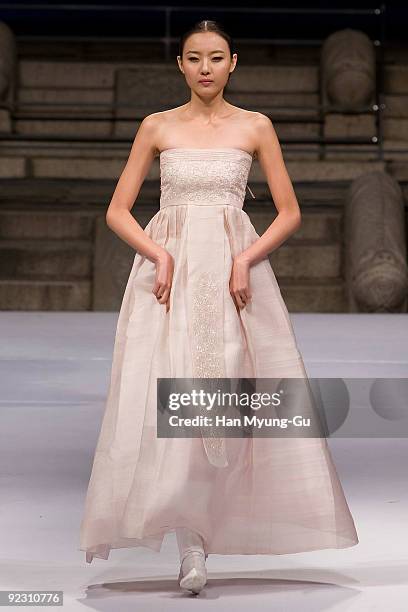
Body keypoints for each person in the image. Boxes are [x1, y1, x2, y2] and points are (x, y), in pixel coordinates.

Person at [79, 19, 359, 595]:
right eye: (193, 58)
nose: (205, 67)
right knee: (170, 396)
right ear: (180, 65)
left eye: (216, 57)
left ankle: (208, 530)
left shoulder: (255, 127)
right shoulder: (156, 127)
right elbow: (117, 210)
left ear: (234, 63)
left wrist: (245, 257)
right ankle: (191, 545)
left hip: (235, 278)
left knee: (225, 398)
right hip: (170, 278)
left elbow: (289, 210)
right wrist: (158, 253)